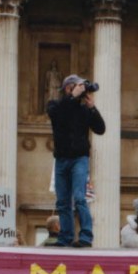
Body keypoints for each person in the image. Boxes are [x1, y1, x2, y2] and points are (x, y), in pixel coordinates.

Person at [46, 74, 105, 248]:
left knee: (80, 198)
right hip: (61, 159)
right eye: (77, 86)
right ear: (68, 88)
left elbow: (100, 129)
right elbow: (59, 116)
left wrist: (93, 108)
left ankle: (86, 237)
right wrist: (72, 97)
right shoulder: (55, 105)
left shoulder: (84, 109)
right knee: (62, 201)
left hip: (79, 158)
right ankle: (65, 237)